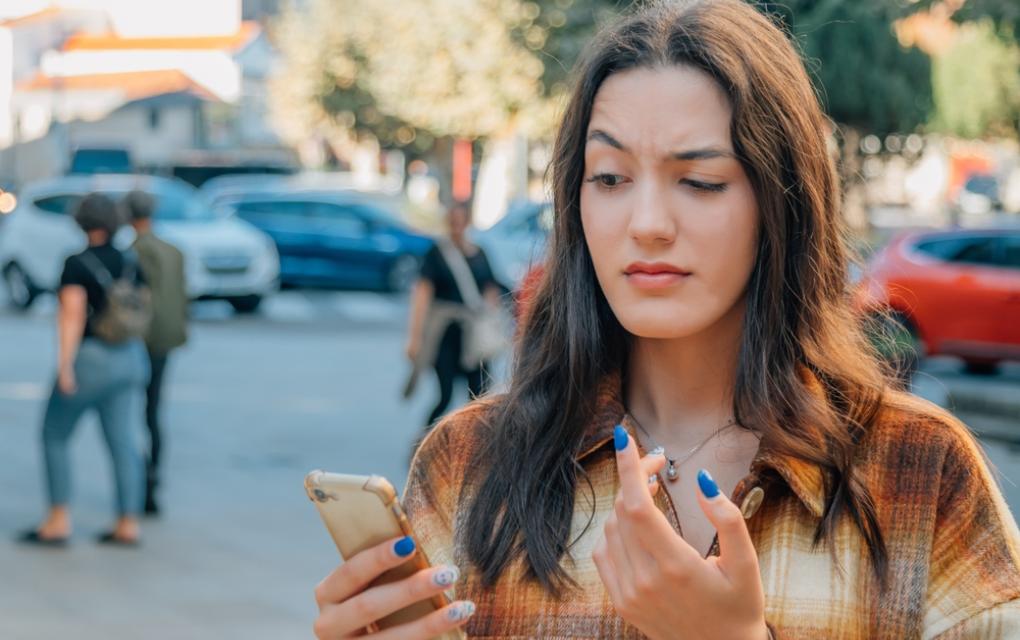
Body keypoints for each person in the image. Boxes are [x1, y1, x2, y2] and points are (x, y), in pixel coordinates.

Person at [313, 1, 1020, 638]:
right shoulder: (470, 465)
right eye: (610, 178)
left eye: (700, 181)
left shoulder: (920, 474)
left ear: (783, 206)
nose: (646, 224)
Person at [20, 194, 149, 547]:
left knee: (55, 434)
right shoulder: (130, 260)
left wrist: (65, 366)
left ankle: (58, 520)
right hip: (130, 357)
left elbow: (72, 315)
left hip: (91, 358)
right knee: (123, 442)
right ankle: (128, 523)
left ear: (80, 222)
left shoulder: (77, 263)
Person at [403, 201, 502, 431]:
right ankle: (425, 447)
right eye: (452, 222)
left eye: (460, 222)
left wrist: (491, 318)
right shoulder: (436, 254)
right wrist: (415, 337)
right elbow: (422, 295)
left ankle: (473, 450)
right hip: (445, 334)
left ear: (468, 222)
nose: (456, 227)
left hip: (474, 336)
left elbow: (491, 288)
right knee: (445, 396)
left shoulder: (480, 253)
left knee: (479, 397)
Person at [125, 190, 188, 516]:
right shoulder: (174, 251)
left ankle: (143, 483)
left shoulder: (134, 252)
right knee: (154, 411)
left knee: (135, 413)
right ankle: (153, 479)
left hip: (142, 340)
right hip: (167, 339)